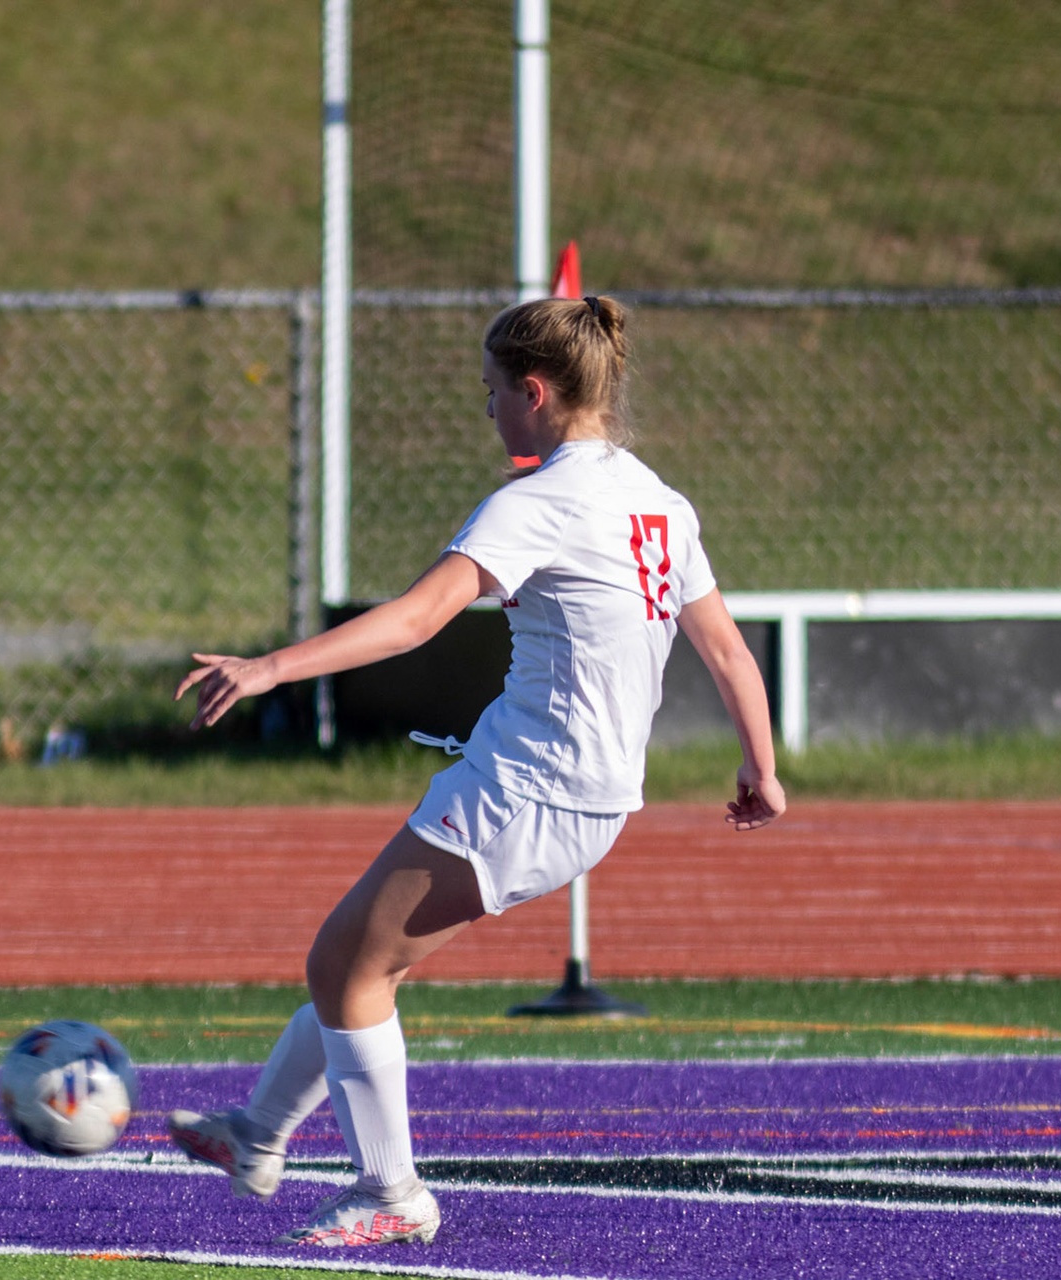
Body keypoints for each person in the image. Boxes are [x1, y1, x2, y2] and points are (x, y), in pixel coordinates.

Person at [168, 295, 787, 1247]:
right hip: (583, 794)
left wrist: (271, 668)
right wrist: (762, 767)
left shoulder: (540, 501)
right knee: (363, 964)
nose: (488, 409)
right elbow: (731, 653)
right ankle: (259, 1133)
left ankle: (389, 1194)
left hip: (532, 787)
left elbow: (418, 619)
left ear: (534, 393)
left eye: (492, 391)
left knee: (345, 966)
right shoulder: (660, 501)